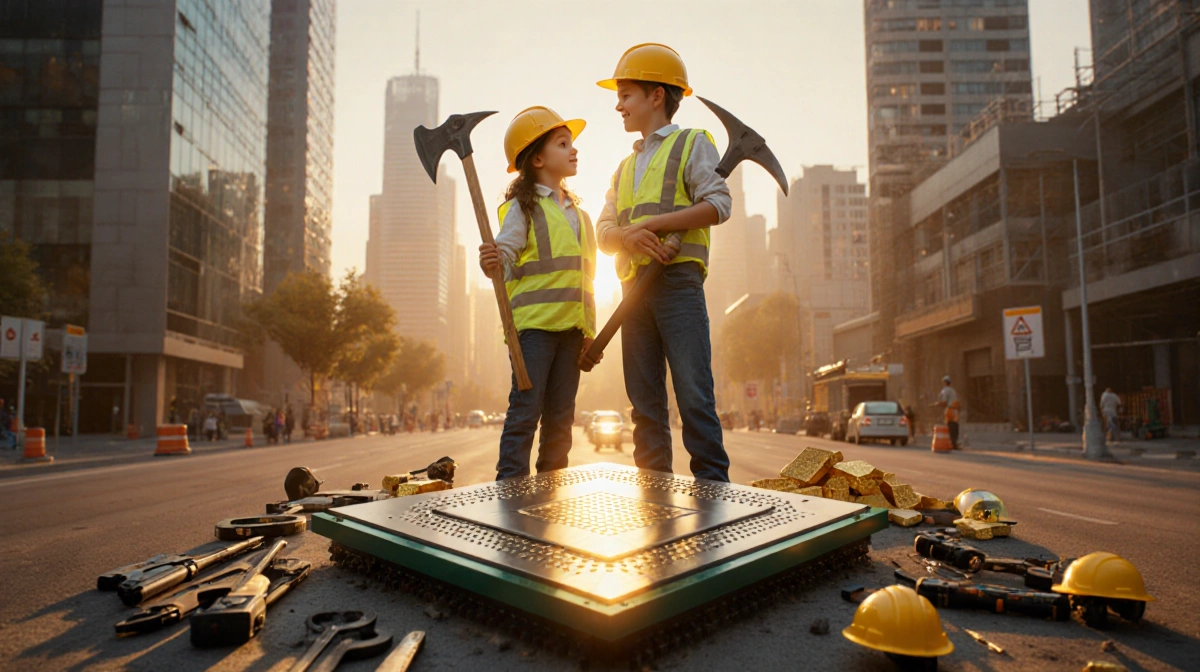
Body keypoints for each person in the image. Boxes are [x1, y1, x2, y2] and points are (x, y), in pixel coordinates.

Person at [589, 43, 733, 482]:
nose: (618, 105)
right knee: (644, 405)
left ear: (656, 96)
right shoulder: (622, 168)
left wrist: (655, 224)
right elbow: (603, 234)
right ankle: (655, 497)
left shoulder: (693, 143)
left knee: (693, 396)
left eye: (626, 95)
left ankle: (714, 494)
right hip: (633, 294)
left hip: (677, 286)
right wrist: (627, 238)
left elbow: (719, 203)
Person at [478, 106, 598, 480]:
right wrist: (491, 261)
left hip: (571, 332)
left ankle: (551, 489)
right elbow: (506, 258)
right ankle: (509, 491)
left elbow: (588, 281)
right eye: (564, 144)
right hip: (534, 333)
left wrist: (589, 333)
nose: (573, 150)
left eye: (572, 144)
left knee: (561, 419)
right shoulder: (522, 208)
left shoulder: (580, 215)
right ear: (539, 158)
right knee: (525, 412)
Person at [935, 376, 961, 450]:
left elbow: (944, 401)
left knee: (949, 426)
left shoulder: (945, 390)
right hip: (955, 410)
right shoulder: (953, 390)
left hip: (950, 410)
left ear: (945, 382)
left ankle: (951, 442)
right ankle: (955, 442)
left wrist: (938, 404)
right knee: (955, 425)